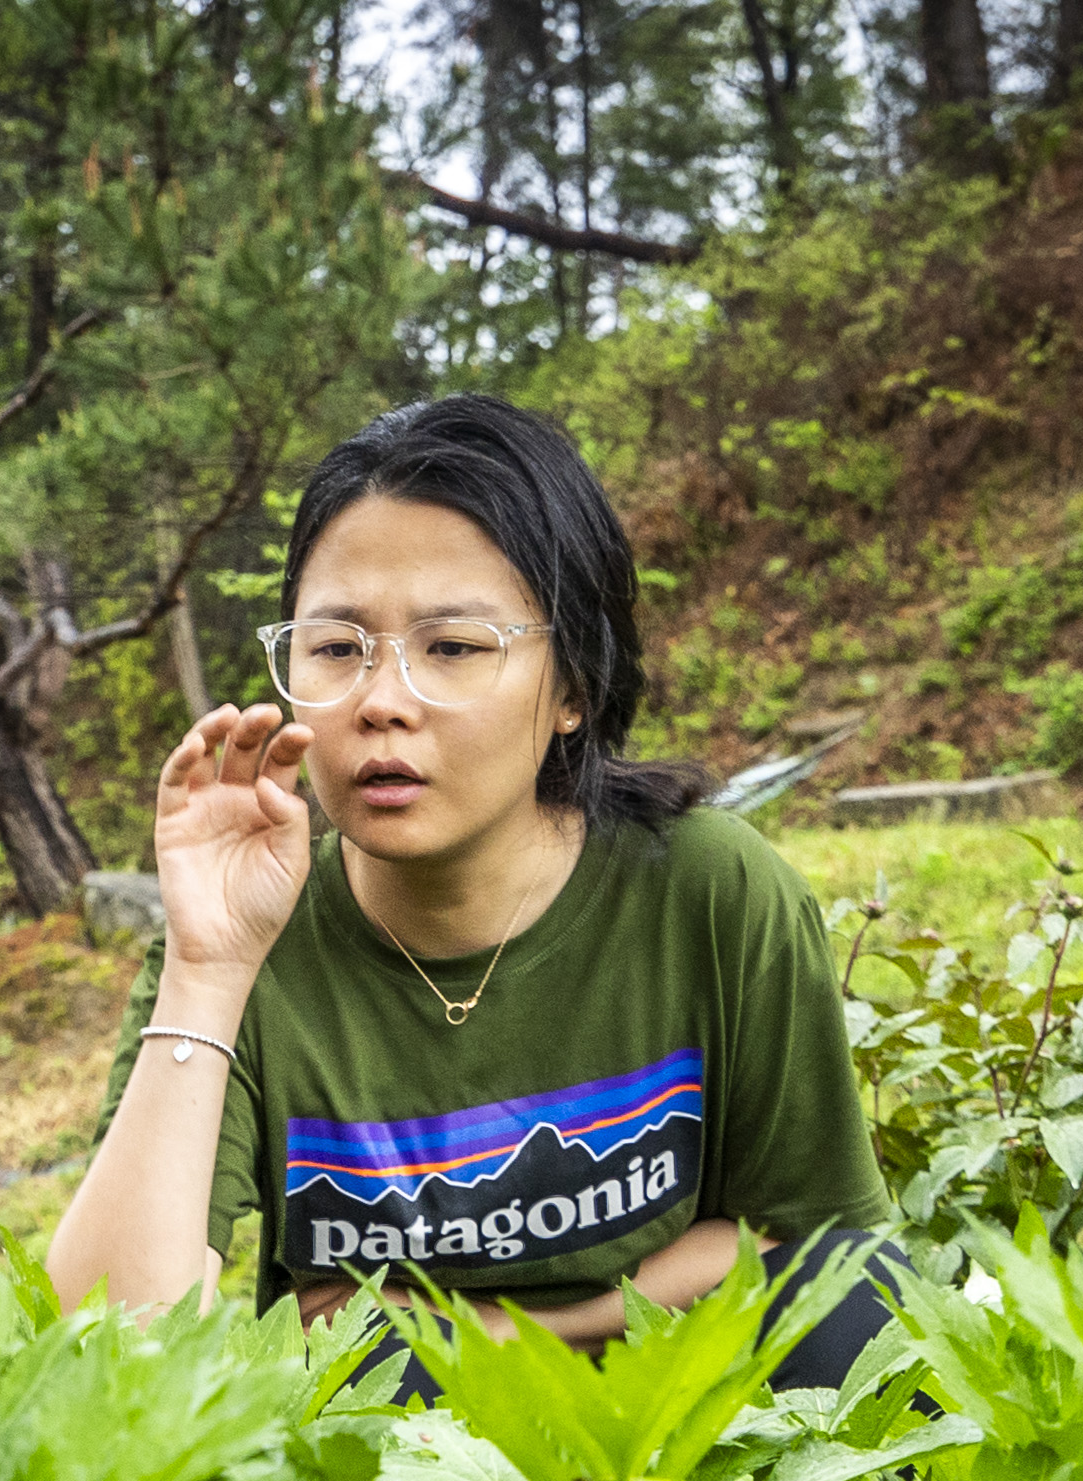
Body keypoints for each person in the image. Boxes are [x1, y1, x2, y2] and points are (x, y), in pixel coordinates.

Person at [44, 393, 896, 1383]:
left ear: (572, 685)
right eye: (334, 649)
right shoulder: (239, 949)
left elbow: (820, 1261)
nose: (380, 702)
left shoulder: (709, 891)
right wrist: (204, 968)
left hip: (675, 1416)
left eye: (450, 648)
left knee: (867, 1299)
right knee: (376, 1372)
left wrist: (509, 1333)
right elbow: (101, 1353)